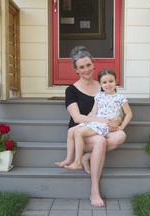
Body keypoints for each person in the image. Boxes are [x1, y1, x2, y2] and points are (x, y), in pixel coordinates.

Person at [55, 46, 128, 208]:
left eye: (88, 65)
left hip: (101, 129)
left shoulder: (104, 85)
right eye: (81, 67)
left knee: (121, 136)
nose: (86, 69)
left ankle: (86, 157)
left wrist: (117, 119)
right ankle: (94, 190)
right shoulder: (71, 90)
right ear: (76, 70)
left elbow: (116, 107)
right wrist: (101, 120)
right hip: (81, 133)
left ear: (93, 65)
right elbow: (77, 117)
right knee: (100, 141)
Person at [56, 69, 132, 171]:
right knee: (71, 131)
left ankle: (78, 162)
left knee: (78, 133)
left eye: (111, 81)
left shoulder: (120, 98)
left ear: (116, 81)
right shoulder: (99, 96)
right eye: (104, 82)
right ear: (100, 84)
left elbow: (129, 114)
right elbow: (93, 112)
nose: (108, 85)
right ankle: (69, 159)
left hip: (105, 124)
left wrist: (121, 127)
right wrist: (86, 121)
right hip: (96, 121)